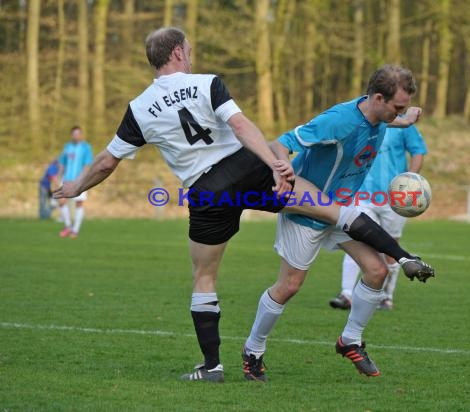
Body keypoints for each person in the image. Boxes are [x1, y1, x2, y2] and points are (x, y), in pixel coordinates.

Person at [54, 27, 433, 384]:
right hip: (248, 170)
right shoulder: (207, 83)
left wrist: (75, 186)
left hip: (207, 192)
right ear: (178, 52)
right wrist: (275, 165)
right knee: (336, 212)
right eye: (188, 51)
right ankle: (399, 258)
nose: (190, 56)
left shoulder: (139, 108)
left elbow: (106, 161)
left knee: (204, 279)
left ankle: (212, 366)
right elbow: (240, 126)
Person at [242, 65, 433, 382]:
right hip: (308, 209)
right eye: (397, 107)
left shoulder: (381, 118)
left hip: (342, 207)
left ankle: (350, 340)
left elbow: (386, 121)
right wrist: (281, 169)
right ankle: (253, 349)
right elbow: (282, 142)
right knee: (289, 286)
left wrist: (404, 120)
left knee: (377, 271)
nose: (398, 112)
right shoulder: (339, 121)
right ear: (378, 98)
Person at [329, 124, 428, 311]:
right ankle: (346, 294)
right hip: (362, 194)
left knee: (391, 247)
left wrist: (410, 181)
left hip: (395, 197)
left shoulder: (403, 124)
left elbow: (418, 151)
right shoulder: (360, 123)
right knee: (354, 239)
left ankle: (385, 297)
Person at [57, 126, 94, 238]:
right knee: (61, 201)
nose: (76, 136)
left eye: (78, 134)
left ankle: (75, 230)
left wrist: (83, 178)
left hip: (80, 180)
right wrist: (59, 176)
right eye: (74, 134)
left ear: (81, 135)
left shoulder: (86, 147)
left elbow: (87, 164)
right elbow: (62, 162)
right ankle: (68, 226)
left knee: (79, 203)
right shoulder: (67, 147)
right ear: (71, 135)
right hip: (67, 179)